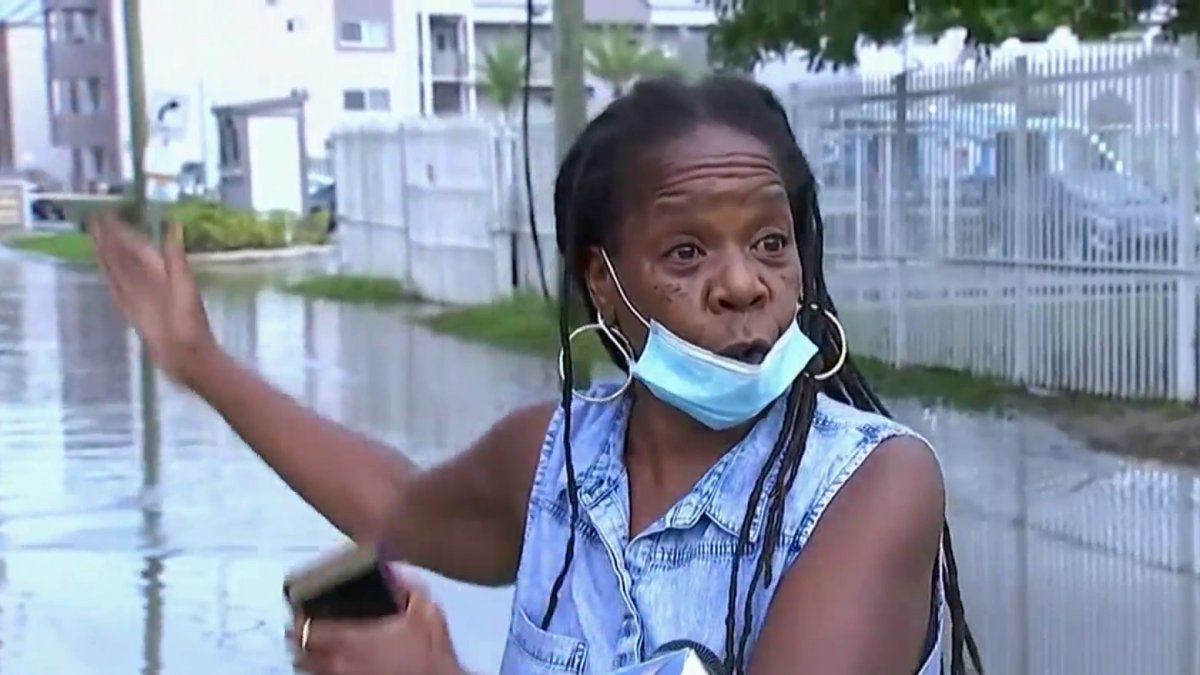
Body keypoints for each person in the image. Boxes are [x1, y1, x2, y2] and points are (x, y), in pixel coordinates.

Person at [88, 75, 982, 675]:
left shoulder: (873, 484)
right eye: (685, 250)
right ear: (604, 281)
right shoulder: (553, 460)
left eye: (770, 243)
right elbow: (393, 501)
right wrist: (199, 361)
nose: (744, 282)